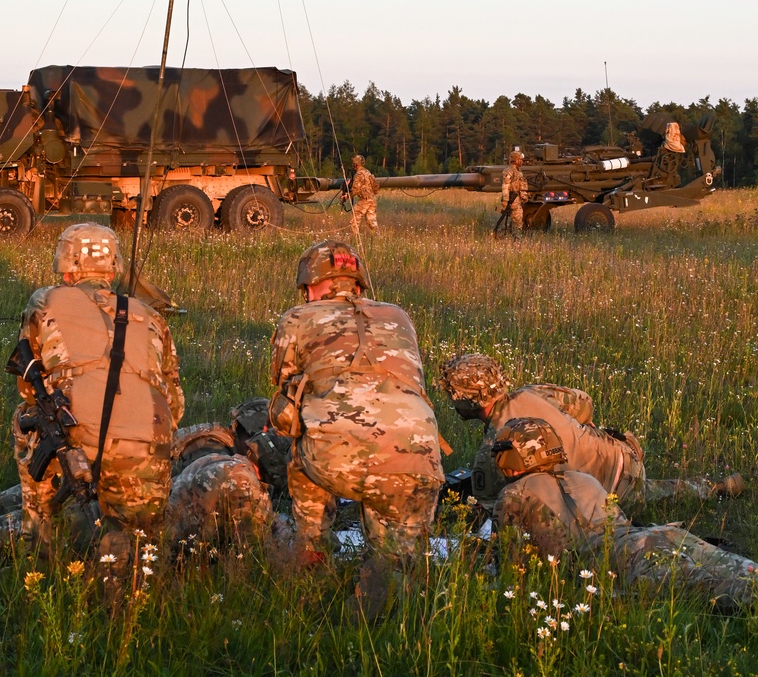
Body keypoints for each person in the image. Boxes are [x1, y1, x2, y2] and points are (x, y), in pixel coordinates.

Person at [12, 223, 184, 568]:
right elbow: (175, 405)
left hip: (76, 444)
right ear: (113, 266)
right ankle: (128, 576)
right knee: (138, 544)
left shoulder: (45, 301)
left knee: (25, 417)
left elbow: (28, 388)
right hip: (147, 451)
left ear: (65, 264)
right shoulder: (150, 316)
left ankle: (40, 532)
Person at [269, 240, 444, 561]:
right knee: (398, 568)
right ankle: (392, 585)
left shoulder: (297, 318)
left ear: (313, 284)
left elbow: (285, 406)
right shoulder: (399, 316)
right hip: (418, 464)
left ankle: (312, 554)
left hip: (336, 462)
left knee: (299, 442)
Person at [492, 417, 758, 612]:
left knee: (718, 592)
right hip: (660, 534)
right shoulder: (582, 478)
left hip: (628, 558)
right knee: (746, 571)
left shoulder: (515, 494)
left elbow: (512, 564)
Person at [438, 353, 743, 512]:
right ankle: (710, 488)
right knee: (648, 491)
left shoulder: (494, 450)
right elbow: (584, 403)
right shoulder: (535, 393)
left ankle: (704, 490)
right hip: (626, 457)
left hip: (598, 502)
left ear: (465, 400)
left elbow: (496, 514)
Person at [167, 424, 273, 549]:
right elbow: (253, 546)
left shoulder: (222, 460)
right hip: (171, 547)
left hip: (165, 529)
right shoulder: (244, 480)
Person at [348, 155, 379, 237]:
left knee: (354, 219)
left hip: (365, 200)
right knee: (371, 221)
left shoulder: (359, 174)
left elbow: (355, 189)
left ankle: (356, 237)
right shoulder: (367, 172)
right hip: (372, 199)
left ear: (355, 164)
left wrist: (346, 196)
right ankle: (378, 237)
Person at [499, 148, 528, 235]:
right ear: (515, 160)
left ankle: (510, 236)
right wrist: (505, 200)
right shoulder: (509, 171)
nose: (521, 161)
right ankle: (516, 239)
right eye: (520, 159)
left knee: (517, 219)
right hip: (513, 199)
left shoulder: (518, 171)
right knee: (518, 221)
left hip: (517, 199)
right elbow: (505, 186)